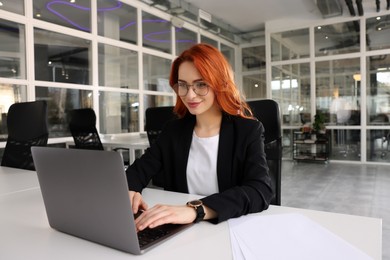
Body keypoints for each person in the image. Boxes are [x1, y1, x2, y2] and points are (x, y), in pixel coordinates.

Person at [126, 43, 273, 231]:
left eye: (201, 84)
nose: (190, 95)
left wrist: (196, 210)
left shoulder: (247, 130)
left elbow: (260, 190)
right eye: (183, 85)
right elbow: (139, 171)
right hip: (182, 232)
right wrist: (131, 189)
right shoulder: (173, 130)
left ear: (219, 83)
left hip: (229, 228)